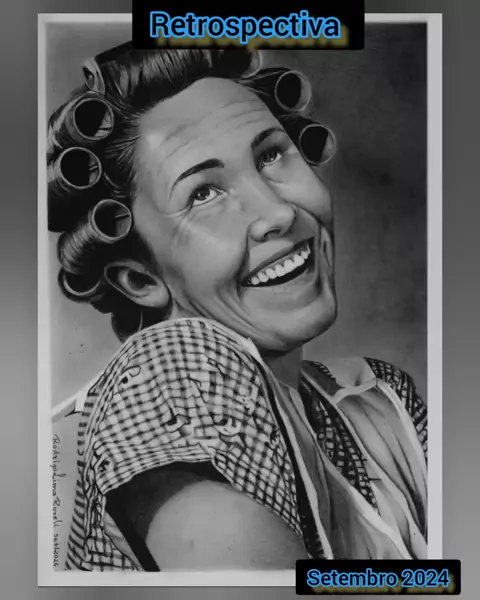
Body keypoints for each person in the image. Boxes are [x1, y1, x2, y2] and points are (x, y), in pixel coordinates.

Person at [47, 43, 428, 572]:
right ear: (140, 279)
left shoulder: (378, 397)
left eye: (271, 155)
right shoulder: (172, 368)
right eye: (203, 193)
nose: (277, 213)